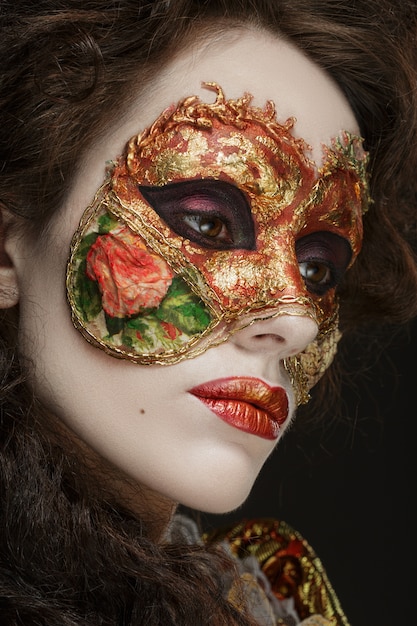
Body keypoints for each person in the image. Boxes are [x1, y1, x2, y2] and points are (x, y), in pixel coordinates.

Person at [1, 1, 416, 624]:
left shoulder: (268, 601)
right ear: (7, 247)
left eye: (317, 269)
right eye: (210, 224)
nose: (297, 320)